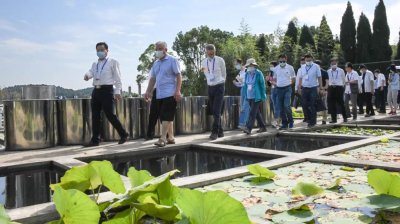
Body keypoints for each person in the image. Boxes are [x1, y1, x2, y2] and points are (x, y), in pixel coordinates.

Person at [84, 42, 129, 147]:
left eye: (101, 50)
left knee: (110, 114)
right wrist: (87, 75)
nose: (100, 52)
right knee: (95, 116)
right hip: (96, 90)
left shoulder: (113, 62)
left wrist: (118, 91)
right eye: (98, 50)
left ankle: (123, 134)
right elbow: (91, 72)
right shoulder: (95, 63)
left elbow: (118, 77)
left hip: (107, 91)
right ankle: (96, 139)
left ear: (107, 50)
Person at [144, 41, 182, 147]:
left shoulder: (172, 60)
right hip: (159, 93)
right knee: (165, 117)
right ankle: (171, 137)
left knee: (166, 116)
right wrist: (148, 91)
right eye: (156, 49)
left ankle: (162, 138)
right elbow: (153, 79)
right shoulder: (156, 63)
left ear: (165, 49)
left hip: (170, 92)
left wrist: (178, 91)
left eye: (160, 48)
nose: (158, 51)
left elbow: (179, 76)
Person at [202, 44, 227, 140]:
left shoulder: (220, 60)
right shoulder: (204, 62)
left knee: (217, 110)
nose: (211, 54)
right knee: (213, 110)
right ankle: (220, 131)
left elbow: (224, 73)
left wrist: (222, 81)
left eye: (213, 52)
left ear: (215, 51)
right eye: (209, 53)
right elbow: (206, 73)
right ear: (206, 52)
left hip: (219, 86)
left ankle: (215, 132)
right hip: (210, 86)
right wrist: (209, 81)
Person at [242, 58, 267, 135]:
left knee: (252, 112)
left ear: (254, 65)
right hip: (249, 96)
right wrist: (245, 96)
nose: (250, 66)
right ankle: (263, 127)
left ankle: (248, 128)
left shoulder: (259, 73)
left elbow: (263, 85)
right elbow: (245, 85)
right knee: (256, 113)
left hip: (257, 96)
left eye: (251, 65)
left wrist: (263, 96)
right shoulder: (246, 73)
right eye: (249, 65)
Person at [298, 54, 322, 128]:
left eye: (309, 60)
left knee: (312, 104)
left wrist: (320, 87)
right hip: (305, 87)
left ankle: (312, 121)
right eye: (307, 60)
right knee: (304, 104)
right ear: (304, 60)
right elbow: (300, 78)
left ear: (312, 59)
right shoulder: (302, 67)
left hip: (313, 87)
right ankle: (308, 118)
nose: (308, 61)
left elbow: (319, 77)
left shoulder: (316, 66)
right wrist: (299, 87)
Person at [273, 54, 296, 130]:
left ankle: (291, 121)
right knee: (281, 107)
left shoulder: (290, 67)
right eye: (280, 61)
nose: (282, 62)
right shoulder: (276, 68)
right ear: (278, 60)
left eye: (283, 61)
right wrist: (276, 85)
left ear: (286, 60)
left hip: (287, 88)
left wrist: (289, 84)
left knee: (286, 105)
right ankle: (284, 123)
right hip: (279, 89)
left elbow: (293, 78)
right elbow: (274, 79)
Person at [327, 59, 347, 123]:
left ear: (337, 64)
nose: (334, 65)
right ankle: (334, 119)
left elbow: (344, 80)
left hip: (339, 88)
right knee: (332, 104)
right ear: (330, 64)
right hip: (331, 88)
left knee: (341, 104)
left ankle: (345, 117)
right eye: (332, 64)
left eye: (335, 64)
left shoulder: (341, 70)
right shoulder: (328, 71)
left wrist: (342, 87)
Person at [233, 59, 249, 130]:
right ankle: (244, 123)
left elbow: (249, 81)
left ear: (241, 63)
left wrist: (243, 82)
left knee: (246, 106)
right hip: (242, 89)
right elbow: (240, 84)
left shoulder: (247, 70)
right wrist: (236, 83)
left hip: (248, 89)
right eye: (235, 65)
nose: (236, 66)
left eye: (237, 64)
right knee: (243, 106)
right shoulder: (240, 72)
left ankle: (244, 123)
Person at [315, 60, 329, 124]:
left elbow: (327, 83)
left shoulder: (324, 72)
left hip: (323, 90)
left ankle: (324, 119)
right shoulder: (313, 72)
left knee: (324, 104)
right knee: (314, 104)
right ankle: (314, 119)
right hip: (314, 90)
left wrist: (323, 89)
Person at [295, 57, 308, 123]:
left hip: (308, 87)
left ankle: (310, 117)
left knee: (309, 103)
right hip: (301, 88)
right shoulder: (299, 70)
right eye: (301, 63)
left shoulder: (308, 69)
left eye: (303, 63)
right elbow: (297, 79)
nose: (302, 64)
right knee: (303, 103)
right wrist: (296, 89)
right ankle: (306, 117)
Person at [268, 61, 280, 128]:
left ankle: (275, 121)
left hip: (278, 89)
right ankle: (278, 121)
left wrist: (275, 83)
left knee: (278, 105)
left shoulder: (278, 72)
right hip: (273, 90)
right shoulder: (271, 73)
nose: (271, 67)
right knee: (275, 106)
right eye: (270, 66)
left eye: (272, 66)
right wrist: (268, 80)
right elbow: (269, 84)